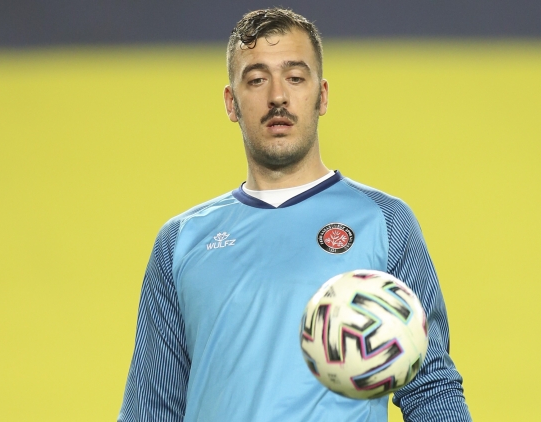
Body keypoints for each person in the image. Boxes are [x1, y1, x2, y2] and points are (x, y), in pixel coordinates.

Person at [118, 8, 471, 422]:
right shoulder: (181, 241)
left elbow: (431, 389)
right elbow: (151, 409)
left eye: (295, 77)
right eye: (257, 79)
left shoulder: (385, 222)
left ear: (322, 96)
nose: (278, 96)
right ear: (231, 103)